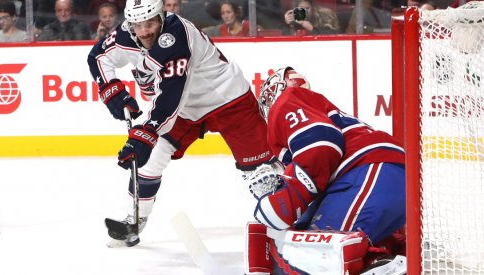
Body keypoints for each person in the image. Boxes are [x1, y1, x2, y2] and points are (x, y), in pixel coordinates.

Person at [87, 0, 280, 246]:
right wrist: (113, 92)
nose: (144, 31)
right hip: (184, 110)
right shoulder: (126, 34)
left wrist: (144, 134)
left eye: (150, 23)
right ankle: (134, 222)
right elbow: (98, 57)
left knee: (261, 172)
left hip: (227, 98)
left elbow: (170, 97)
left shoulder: (175, 36)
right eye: (138, 25)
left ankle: (287, 218)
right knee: (148, 162)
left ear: (162, 17)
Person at [250, 67, 406, 255]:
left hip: (369, 171)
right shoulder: (315, 109)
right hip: (382, 176)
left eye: (267, 98)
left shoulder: (288, 99)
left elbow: (321, 144)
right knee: (312, 241)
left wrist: (290, 196)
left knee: (315, 254)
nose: (267, 106)